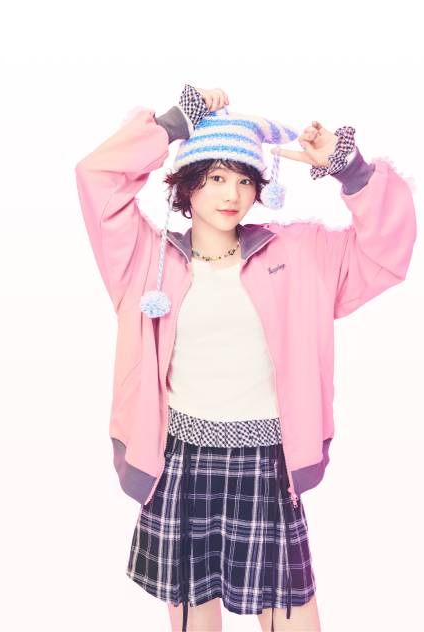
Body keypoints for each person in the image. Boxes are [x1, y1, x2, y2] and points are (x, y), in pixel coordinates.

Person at [75, 84, 417, 632]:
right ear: (186, 184)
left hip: (267, 461)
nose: (231, 193)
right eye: (215, 177)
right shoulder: (144, 259)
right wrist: (175, 123)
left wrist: (348, 168)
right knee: (194, 618)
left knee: (292, 613)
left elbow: (385, 252)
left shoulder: (300, 254)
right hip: (180, 460)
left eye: (244, 179)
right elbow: (97, 177)